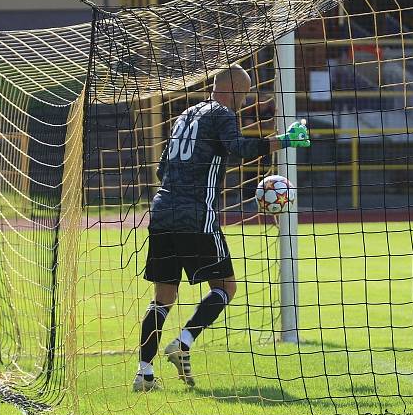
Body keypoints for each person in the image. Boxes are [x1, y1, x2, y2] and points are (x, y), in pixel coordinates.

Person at [132, 64, 311, 392]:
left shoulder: (186, 115)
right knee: (225, 286)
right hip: (196, 216)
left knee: (163, 297)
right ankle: (183, 342)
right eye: (244, 96)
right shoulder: (222, 114)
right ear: (234, 92)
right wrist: (285, 140)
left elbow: (162, 169)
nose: (244, 103)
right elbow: (239, 149)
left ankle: (143, 373)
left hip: (162, 212)